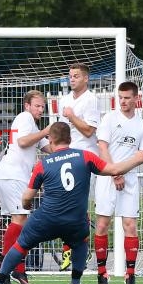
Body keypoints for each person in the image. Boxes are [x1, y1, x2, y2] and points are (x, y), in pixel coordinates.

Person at [0, 122, 143, 284]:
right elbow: (114, 169)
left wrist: (27, 205)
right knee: (81, 242)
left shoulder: (43, 163)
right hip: (75, 221)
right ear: (70, 139)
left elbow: (27, 197)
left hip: (46, 219)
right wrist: (137, 159)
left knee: (21, 245)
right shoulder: (86, 157)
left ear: (50, 141)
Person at [93, 81, 143, 284]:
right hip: (107, 178)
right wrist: (115, 172)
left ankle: (130, 274)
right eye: (121, 97)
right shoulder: (109, 118)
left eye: (127, 98)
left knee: (130, 226)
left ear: (136, 99)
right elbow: (102, 147)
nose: (123, 101)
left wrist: (123, 171)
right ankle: (101, 273)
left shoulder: (142, 125)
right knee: (102, 225)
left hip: (130, 181)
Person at [0, 90, 51, 284]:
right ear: (27, 106)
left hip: (11, 177)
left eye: (42, 106)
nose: (40, 109)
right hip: (12, 175)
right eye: (37, 105)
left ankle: (15, 270)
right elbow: (23, 141)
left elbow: (50, 148)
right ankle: (5, 264)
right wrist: (46, 131)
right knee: (21, 221)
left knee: (21, 223)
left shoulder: (33, 125)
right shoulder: (25, 118)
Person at [57, 62, 100, 271]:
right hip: (65, 157)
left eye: (76, 76)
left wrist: (72, 116)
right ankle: (70, 247)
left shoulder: (91, 100)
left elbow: (90, 131)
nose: (71, 79)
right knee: (66, 205)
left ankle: (77, 247)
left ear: (85, 79)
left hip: (83, 158)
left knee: (79, 206)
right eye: (70, 76)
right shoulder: (64, 100)